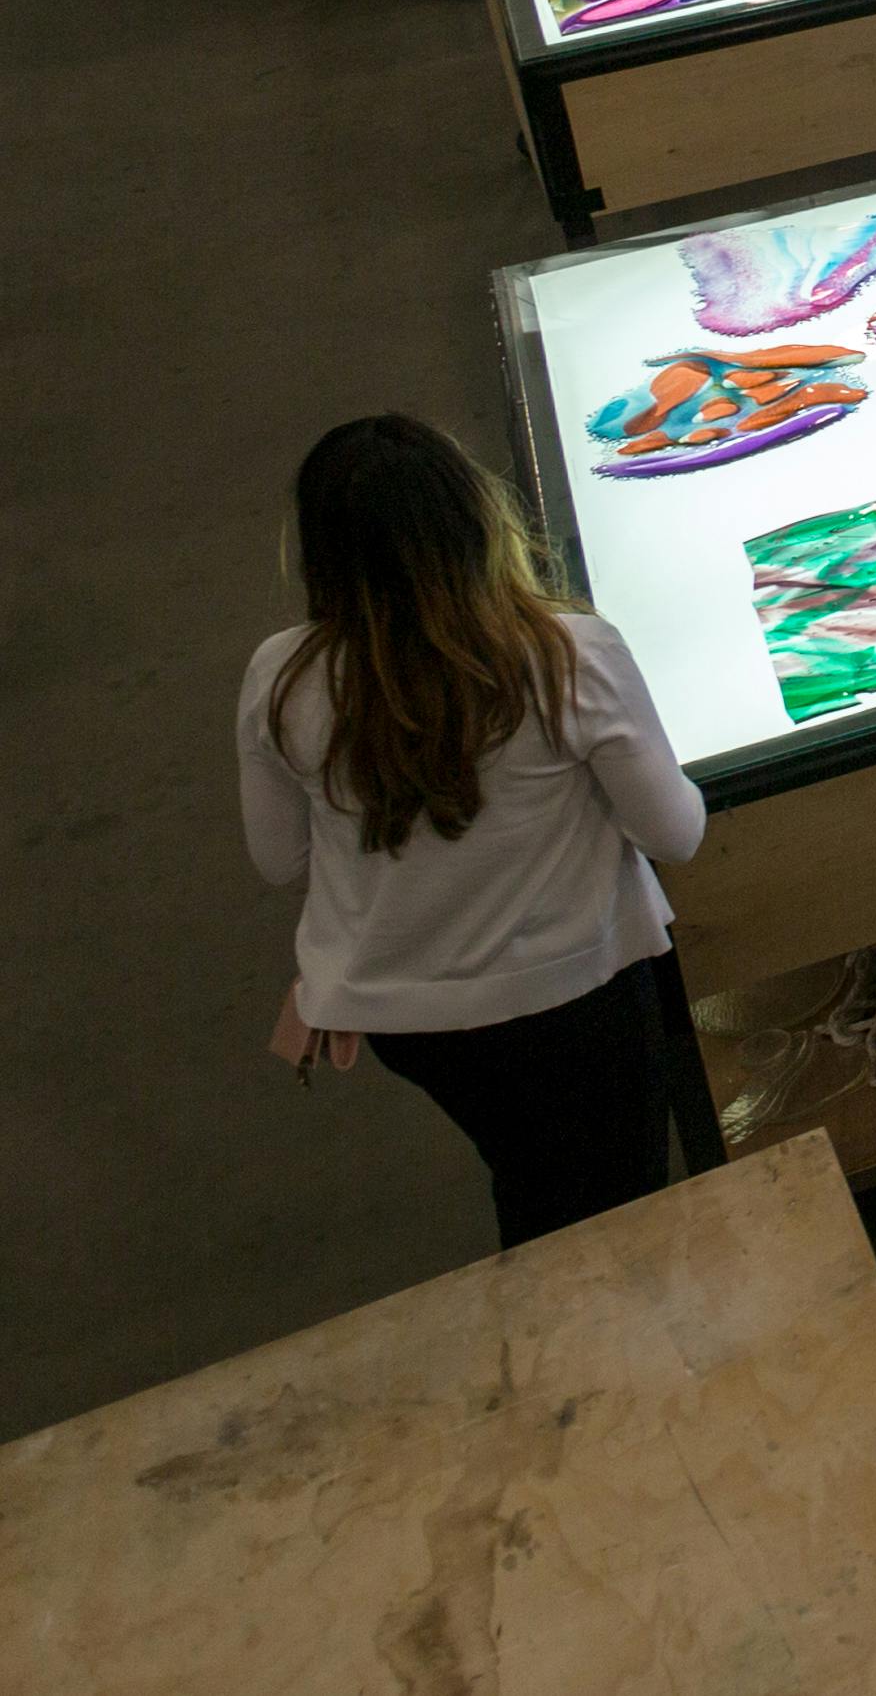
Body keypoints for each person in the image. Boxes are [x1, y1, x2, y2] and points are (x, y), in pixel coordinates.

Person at [238, 416, 709, 1250]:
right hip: (576, 1006)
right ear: (477, 518)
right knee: (610, 1214)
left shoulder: (283, 673)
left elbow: (279, 859)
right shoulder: (568, 655)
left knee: (529, 1174)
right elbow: (673, 834)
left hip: (406, 1025)